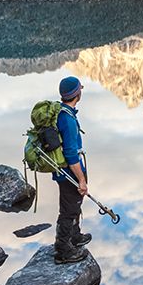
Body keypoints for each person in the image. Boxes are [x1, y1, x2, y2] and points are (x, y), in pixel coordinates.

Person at [54, 76, 92, 265]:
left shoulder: (64, 112)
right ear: (77, 93)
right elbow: (70, 153)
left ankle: (74, 236)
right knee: (69, 210)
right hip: (69, 173)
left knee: (74, 205)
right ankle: (63, 250)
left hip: (65, 172)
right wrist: (81, 180)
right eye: (80, 90)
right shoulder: (67, 119)